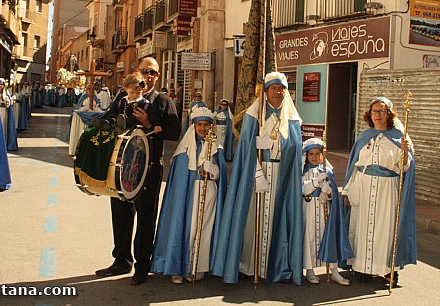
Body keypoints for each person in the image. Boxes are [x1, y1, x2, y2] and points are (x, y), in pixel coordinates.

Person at [95, 57, 181, 285]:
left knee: (145, 219)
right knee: (120, 215)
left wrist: (151, 125)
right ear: (136, 72)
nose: (149, 76)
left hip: (149, 169)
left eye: (153, 72)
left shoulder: (163, 101)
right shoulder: (122, 98)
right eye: (145, 71)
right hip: (122, 168)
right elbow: (109, 119)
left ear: (158, 76)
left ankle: (142, 266)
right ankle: (121, 260)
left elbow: (174, 131)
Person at [212, 72, 303, 285]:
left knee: (277, 220)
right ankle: (247, 265)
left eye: (281, 89)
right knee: (252, 220)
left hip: (282, 177)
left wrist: (276, 146)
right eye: (274, 88)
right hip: (256, 177)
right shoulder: (254, 117)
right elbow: (244, 151)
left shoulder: (292, 119)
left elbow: (297, 149)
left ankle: (275, 266)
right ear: (266, 91)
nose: (278, 93)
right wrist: (256, 171)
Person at [341, 97, 416, 285]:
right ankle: (363, 268)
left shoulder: (400, 137)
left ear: (389, 114)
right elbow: (354, 166)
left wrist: (406, 153)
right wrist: (348, 190)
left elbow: (404, 167)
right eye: (375, 111)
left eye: (382, 111)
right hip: (363, 186)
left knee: (385, 228)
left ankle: (387, 268)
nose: (378, 115)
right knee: (362, 226)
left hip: (387, 188)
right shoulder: (364, 136)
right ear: (370, 114)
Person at [151, 107, 227, 283]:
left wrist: (212, 170)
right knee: (185, 227)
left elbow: (220, 174)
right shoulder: (183, 151)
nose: (203, 128)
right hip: (189, 195)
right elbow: (179, 179)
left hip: (208, 193)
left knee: (204, 228)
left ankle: (197, 265)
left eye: (206, 125)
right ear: (193, 126)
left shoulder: (216, 147)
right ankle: (178, 266)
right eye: (199, 124)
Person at [75, 72, 161, 187]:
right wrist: (107, 118)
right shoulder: (122, 100)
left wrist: (156, 125)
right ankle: (106, 123)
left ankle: (120, 123)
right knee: (113, 117)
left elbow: (153, 116)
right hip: (117, 122)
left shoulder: (145, 104)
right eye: (132, 92)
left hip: (133, 125)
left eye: (138, 92)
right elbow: (113, 111)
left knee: (129, 120)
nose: (135, 95)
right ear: (126, 89)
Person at [300, 138, 352, 285]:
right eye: (311, 154)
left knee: (328, 238)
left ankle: (334, 271)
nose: (315, 157)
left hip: (325, 211)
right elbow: (302, 189)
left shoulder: (328, 171)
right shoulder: (303, 171)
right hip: (309, 209)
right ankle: (310, 270)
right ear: (306, 155)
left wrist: (328, 193)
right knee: (310, 238)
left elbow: (333, 193)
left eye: (318, 154)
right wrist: (315, 183)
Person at [0, 78, 18, 151]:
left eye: (2, 84)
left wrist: (9, 101)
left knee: (3, 127)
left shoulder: (6, 94)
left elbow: (8, 105)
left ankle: (3, 143)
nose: (0, 86)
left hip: (3, 112)